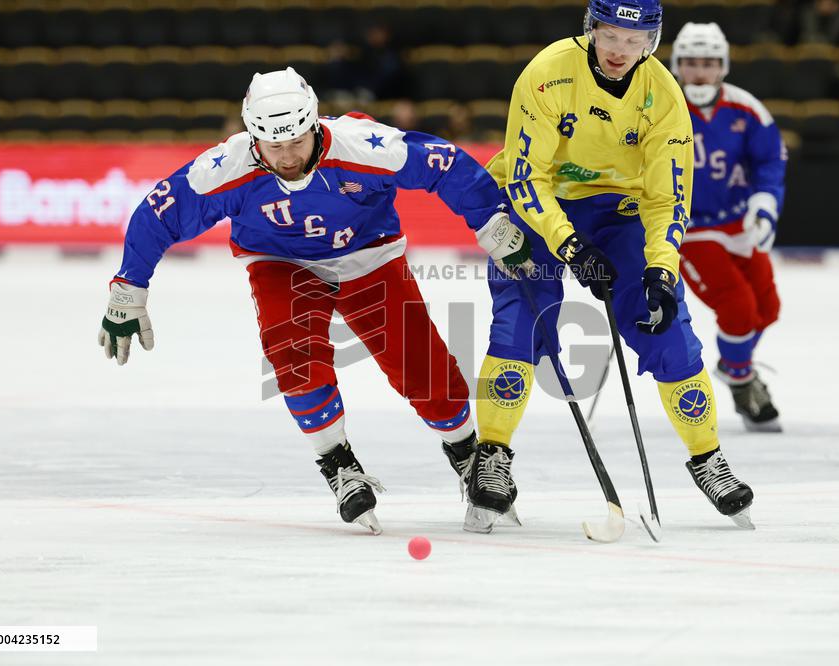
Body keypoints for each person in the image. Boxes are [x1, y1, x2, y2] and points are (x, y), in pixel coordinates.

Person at [97, 67, 533, 535]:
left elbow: (445, 164)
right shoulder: (227, 166)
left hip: (368, 255)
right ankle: (337, 461)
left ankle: (468, 455)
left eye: (296, 143)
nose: (286, 157)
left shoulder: (365, 145)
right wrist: (128, 289)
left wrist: (492, 221)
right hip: (280, 263)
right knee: (292, 351)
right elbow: (158, 214)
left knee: (418, 361)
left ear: (314, 125)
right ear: (252, 137)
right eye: (273, 146)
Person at [470, 0, 755, 532]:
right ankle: (492, 453)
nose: (622, 49)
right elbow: (527, 179)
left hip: (619, 210)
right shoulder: (547, 73)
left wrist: (661, 269)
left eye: (636, 37)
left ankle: (707, 456)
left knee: (664, 324)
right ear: (591, 30)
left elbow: (667, 196)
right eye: (611, 34)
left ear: (653, 38)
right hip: (537, 205)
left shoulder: (664, 95)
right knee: (519, 325)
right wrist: (572, 249)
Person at [671, 23, 787, 433]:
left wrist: (765, 203)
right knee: (737, 307)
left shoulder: (747, 108)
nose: (699, 73)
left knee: (767, 308)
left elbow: (770, 160)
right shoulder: (661, 106)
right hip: (688, 227)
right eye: (690, 63)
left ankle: (734, 365)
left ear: (723, 66)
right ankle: (741, 381)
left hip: (738, 220)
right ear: (676, 65)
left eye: (708, 63)